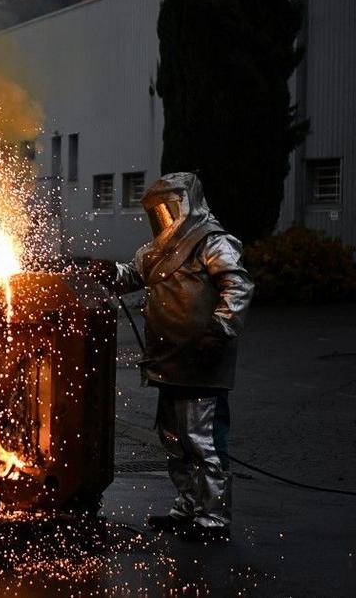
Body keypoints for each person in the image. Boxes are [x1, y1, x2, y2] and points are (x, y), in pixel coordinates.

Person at [92, 172, 254, 543]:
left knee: (202, 441)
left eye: (169, 209)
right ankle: (187, 507)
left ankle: (213, 519)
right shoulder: (158, 250)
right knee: (174, 441)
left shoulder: (213, 242)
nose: (163, 218)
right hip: (169, 360)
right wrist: (104, 271)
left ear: (186, 205)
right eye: (157, 211)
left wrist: (220, 330)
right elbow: (132, 275)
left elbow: (238, 285)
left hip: (201, 361)